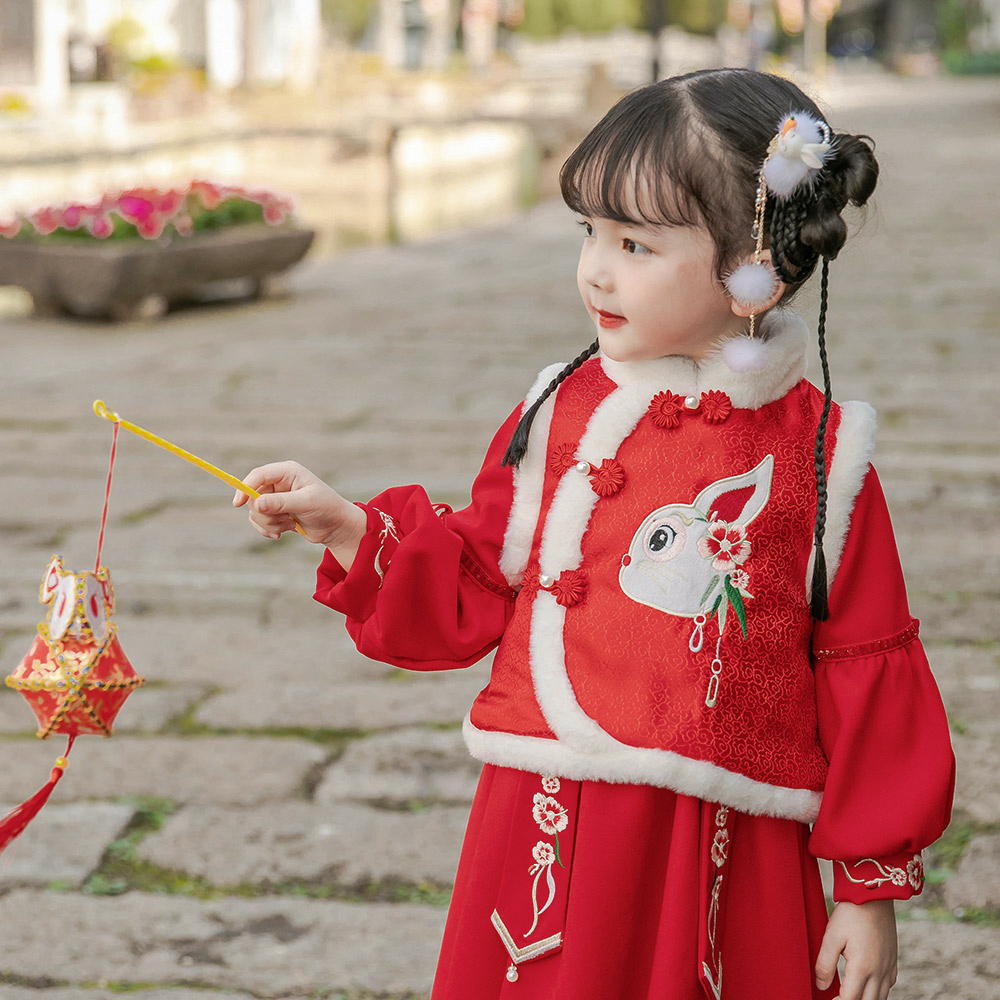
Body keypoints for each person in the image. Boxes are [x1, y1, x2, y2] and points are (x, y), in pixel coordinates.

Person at [234, 68, 955, 1000]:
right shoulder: (558, 414)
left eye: (636, 244)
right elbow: (477, 581)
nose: (596, 270)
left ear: (755, 269)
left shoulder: (822, 457)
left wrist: (868, 887)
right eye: (590, 233)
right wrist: (349, 529)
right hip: (546, 812)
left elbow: (866, 666)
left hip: (721, 834)